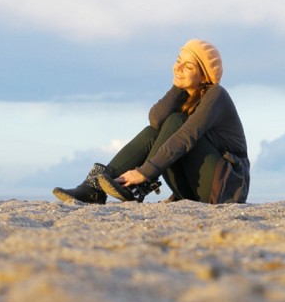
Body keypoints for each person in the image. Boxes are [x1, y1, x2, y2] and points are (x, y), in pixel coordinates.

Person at [53, 39, 250, 204]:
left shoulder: (216, 95)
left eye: (188, 66)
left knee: (175, 121)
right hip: (193, 188)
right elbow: (155, 121)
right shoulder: (185, 95)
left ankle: (142, 184)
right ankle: (93, 188)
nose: (178, 68)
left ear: (204, 75)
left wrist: (145, 172)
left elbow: (186, 136)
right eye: (178, 61)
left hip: (226, 187)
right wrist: (177, 88)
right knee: (155, 130)